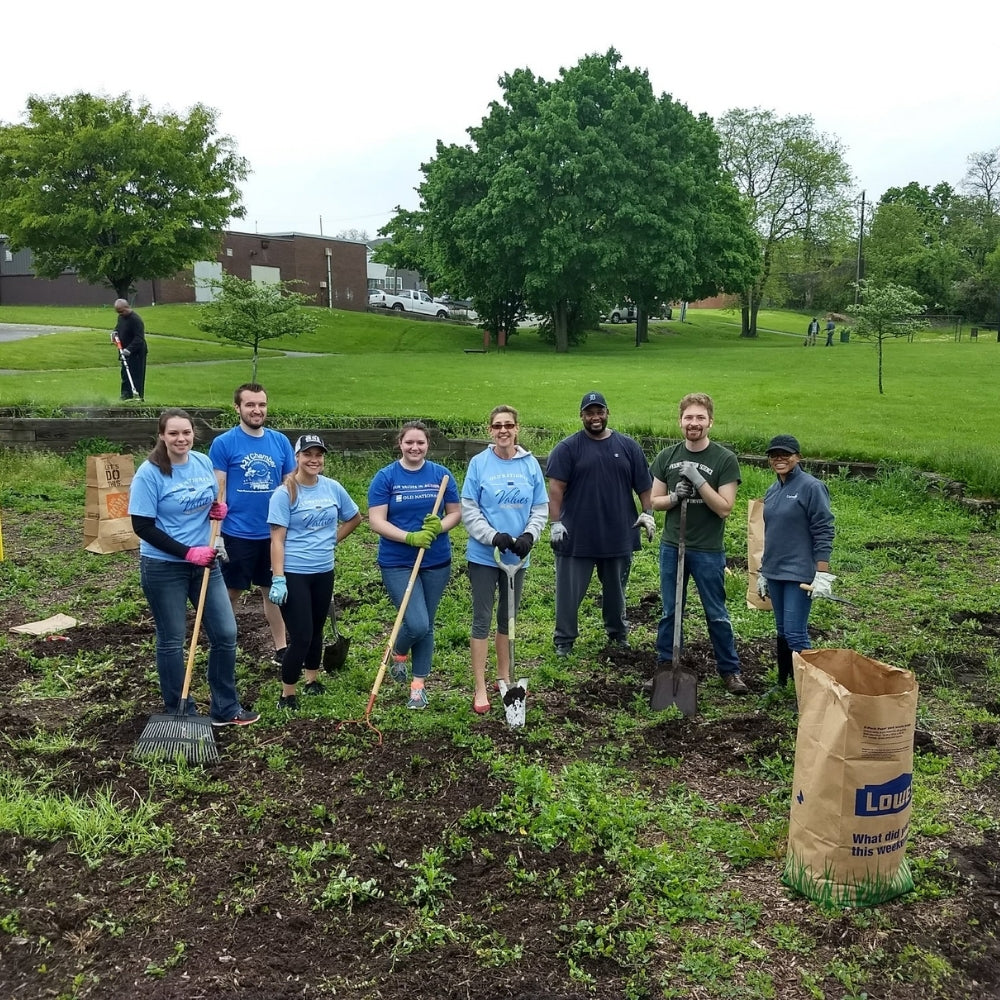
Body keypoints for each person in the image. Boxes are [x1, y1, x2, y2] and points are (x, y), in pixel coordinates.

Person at [128, 408, 259, 726]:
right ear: (162, 435)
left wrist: (216, 510)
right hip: (164, 566)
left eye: (185, 432)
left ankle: (225, 708)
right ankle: (178, 710)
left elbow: (209, 501)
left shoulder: (201, 462)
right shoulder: (150, 473)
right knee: (172, 638)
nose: (180, 439)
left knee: (226, 634)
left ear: (193, 434)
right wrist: (187, 553)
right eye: (173, 433)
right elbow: (142, 526)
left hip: (205, 565)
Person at [649, 392, 748, 695]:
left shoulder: (723, 459)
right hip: (672, 547)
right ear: (681, 421)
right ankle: (665, 668)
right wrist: (676, 497)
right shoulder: (667, 456)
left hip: (707, 550)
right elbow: (655, 501)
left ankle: (730, 671)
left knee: (716, 612)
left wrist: (699, 481)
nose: (694, 423)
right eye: (689, 417)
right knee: (670, 611)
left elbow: (725, 508)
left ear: (710, 422)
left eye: (700, 418)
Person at [545, 391, 654, 657]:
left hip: (619, 533)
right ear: (581, 416)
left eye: (599, 412)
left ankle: (618, 634)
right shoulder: (568, 448)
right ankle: (564, 640)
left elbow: (644, 486)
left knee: (616, 590)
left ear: (607, 413)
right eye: (589, 413)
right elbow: (555, 489)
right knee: (569, 593)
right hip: (576, 534)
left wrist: (648, 512)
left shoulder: (628, 446)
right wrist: (555, 523)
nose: (595, 417)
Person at [367, 421, 461, 709]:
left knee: (427, 624)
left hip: (436, 560)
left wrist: (438, 528)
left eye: (420, 443)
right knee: (417, 622)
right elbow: (376, 521)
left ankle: (418, 686)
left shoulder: (441, 475)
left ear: (427, 445)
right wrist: (410, 537)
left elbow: (455, 514)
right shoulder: (386, 477)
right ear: (401, 443)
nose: (415, 447)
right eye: (410, 442)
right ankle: (398, 650)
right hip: (397, 561)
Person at [461, 405, 548, 713]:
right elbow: (469, 509)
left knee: (507, 618)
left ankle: (504, 677)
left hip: (517, 557)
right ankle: (480, 687)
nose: (503, 430)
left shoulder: (529, 465)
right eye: (497, 425)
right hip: (486, 555)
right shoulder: (479, 463)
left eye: (508, 425)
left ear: (517, 428)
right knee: (482, 619)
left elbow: (540, 507)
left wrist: (529, 536)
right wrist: (493, 536)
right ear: (490, 431)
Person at [267, 434, 361, 710]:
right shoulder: (285, 493)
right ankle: (287, 693)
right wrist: (278, 577)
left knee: (317, 628)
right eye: (308, 454)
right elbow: (277, 540)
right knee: (302, 634)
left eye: (318, 455)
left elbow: (354, 517)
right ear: (297, 457)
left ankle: (311, 679)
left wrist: (333, 539)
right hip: (294, 573)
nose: (314, 460)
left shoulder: (332, 488)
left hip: (323, 570)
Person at [209, 384, 296, 665]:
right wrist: (218, 534)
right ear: (237, 408)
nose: (257, 410)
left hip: (273, 533)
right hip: (237, 532)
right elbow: (218, 489)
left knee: (273, 590)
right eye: (250, 405)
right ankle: (222, 644)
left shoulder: (280, 442)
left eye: (261, 404)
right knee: (231, 590)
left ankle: (281, 648)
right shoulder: (224, 443)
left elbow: (290, 485)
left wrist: (292, 523)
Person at [756, 435, 835, 700]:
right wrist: (763, 571)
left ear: (797, 457)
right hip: (775, 571)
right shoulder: (772, 490)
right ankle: (783, 683)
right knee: (781, 631)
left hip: (799, 573)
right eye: (774, 455)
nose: (779, 459)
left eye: (785, 454)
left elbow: (824, 528)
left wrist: (822, 572)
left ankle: (812, 694)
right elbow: (772, 532)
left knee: (795, 632)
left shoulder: (811, 487)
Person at [112, 299, 147, 399]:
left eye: (122, 311)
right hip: (124, 351)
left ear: (127, 307)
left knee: (136, 374)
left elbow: (139, 338)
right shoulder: (121, 317)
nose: (120, 314)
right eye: (118, 312)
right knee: (125, 373)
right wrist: (114, 333)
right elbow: (118, 328)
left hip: (137, 352)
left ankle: (137, 396)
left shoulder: (136, 320)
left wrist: (129, 349)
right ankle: (125, 394)